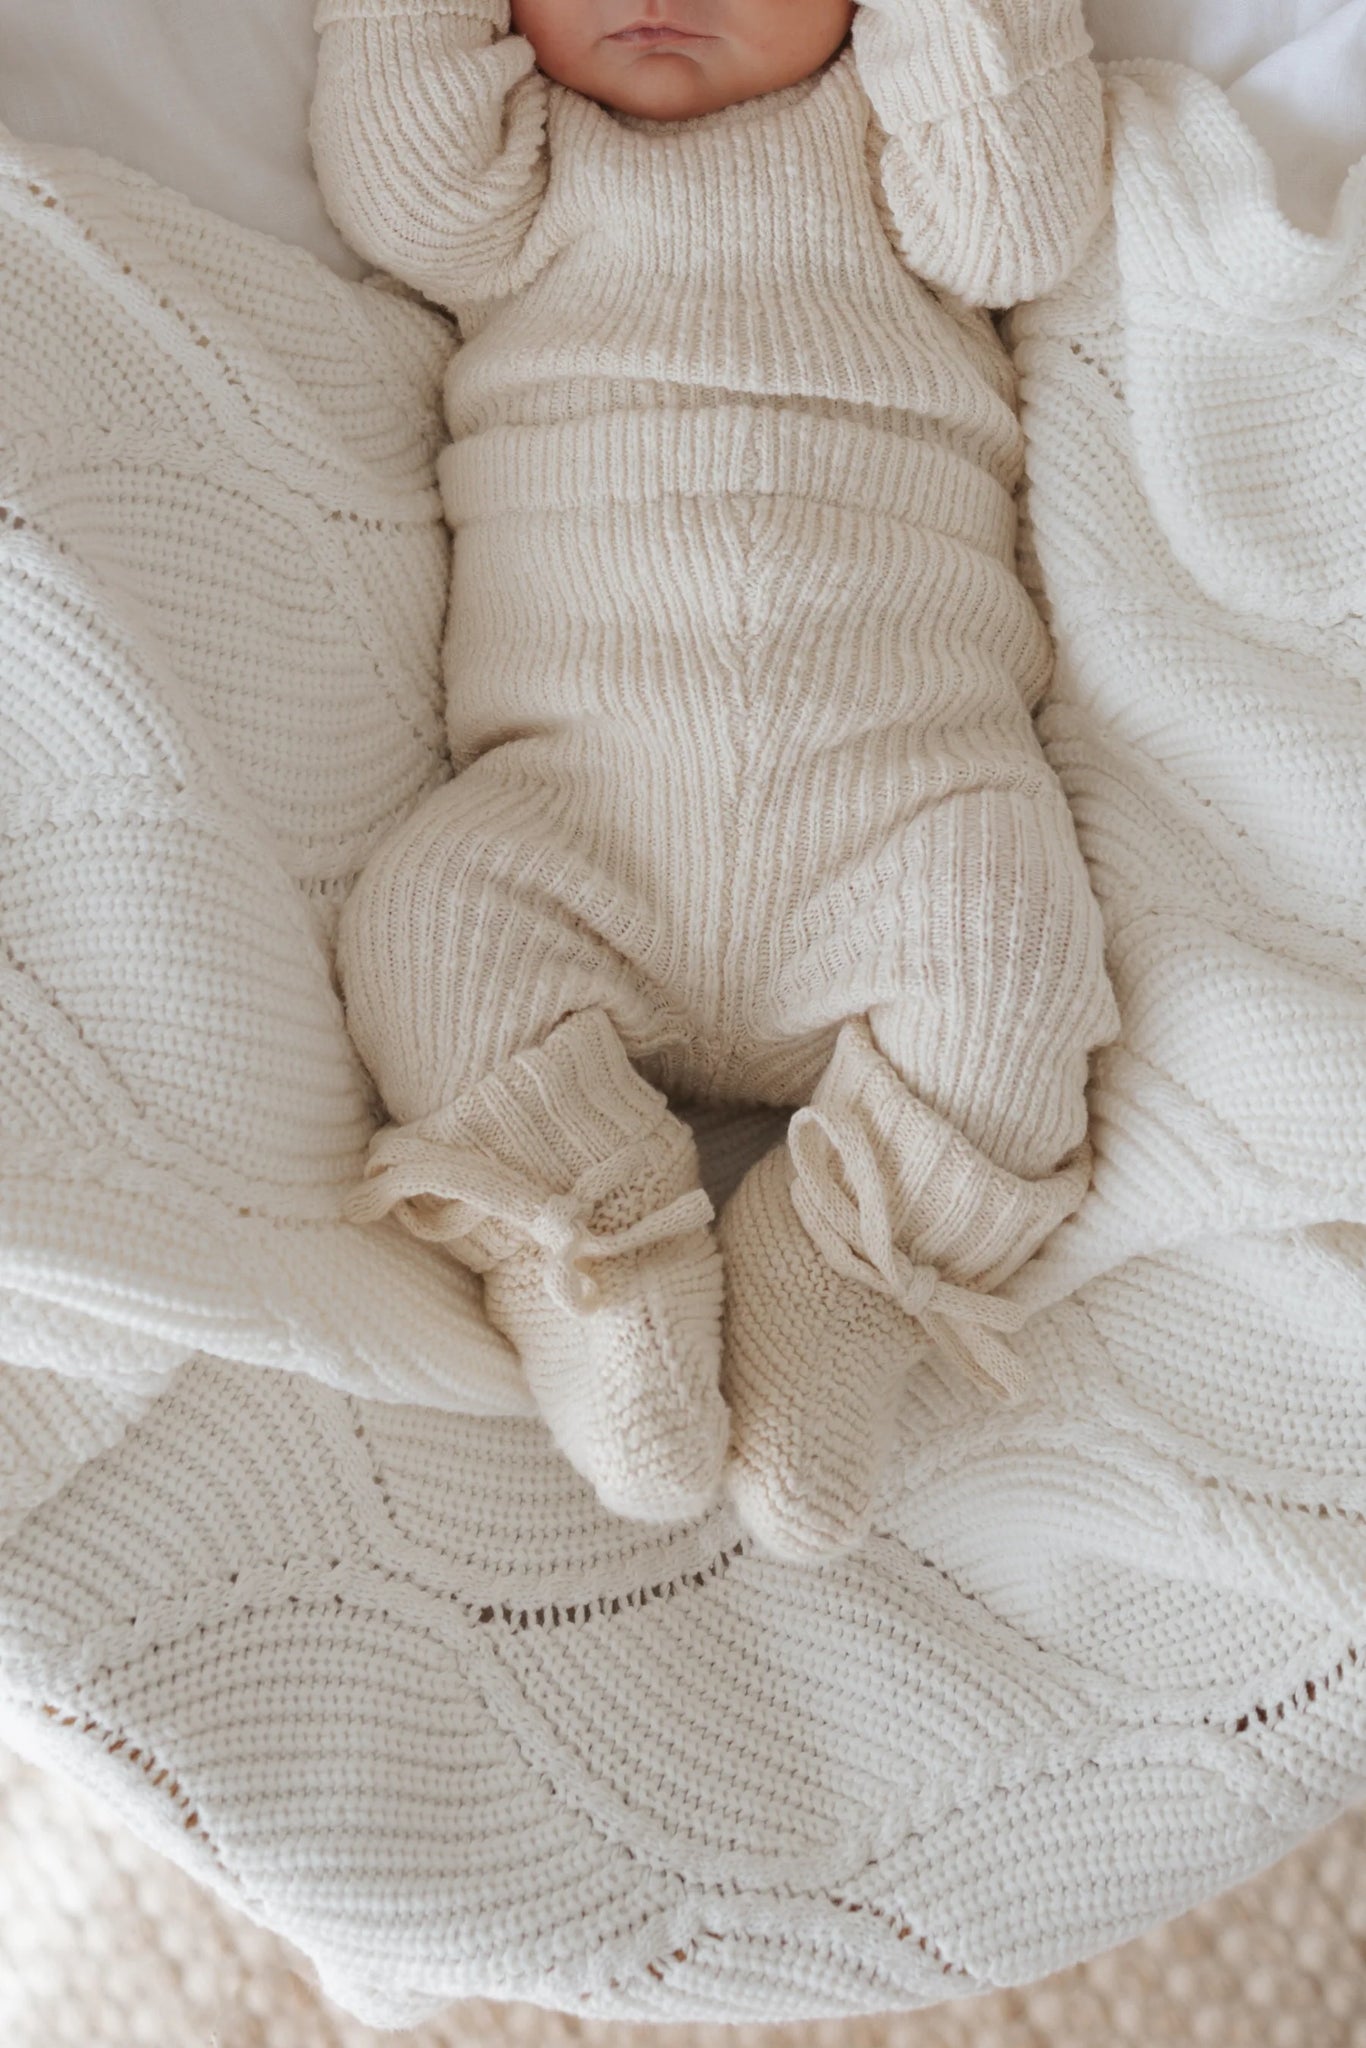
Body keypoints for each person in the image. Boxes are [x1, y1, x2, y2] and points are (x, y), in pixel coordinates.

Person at [309, 0, 1121, 1560]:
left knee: (1014, 955)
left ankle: (845, 1263)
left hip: (905, 806)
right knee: (429, 922)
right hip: (575, 814)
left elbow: (1025, 219)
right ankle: (587, 1243)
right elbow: (393, 172)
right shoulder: (515, 179)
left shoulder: (905, 154)